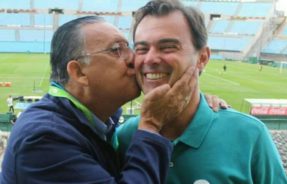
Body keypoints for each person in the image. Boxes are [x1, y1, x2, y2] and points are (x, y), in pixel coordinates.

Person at [1, 16, 199, 183]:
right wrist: (151, 125)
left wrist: (195, 101)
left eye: (128, 47)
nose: (134, 59)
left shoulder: (95, 118)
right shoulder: (43, 139)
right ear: (79, 72)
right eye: (116, 50)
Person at [117, 1, 287, 183]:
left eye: (168, 47)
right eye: (141, 49)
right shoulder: (124, 138)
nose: (150, 58)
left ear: (203, 57)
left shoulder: (249, 135)